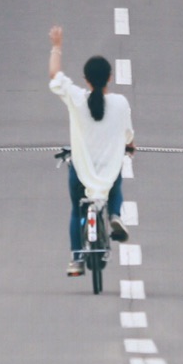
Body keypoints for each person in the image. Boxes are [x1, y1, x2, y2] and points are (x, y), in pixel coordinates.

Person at [49, 25, 134, 276]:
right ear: (109, 78)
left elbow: (55, 75)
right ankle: (115, 215)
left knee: (77, 209)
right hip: (108, 171)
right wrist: (130, 145)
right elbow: (128, 134)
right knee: (114, 188)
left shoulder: (76, 98)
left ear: (86, 79)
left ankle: (76, 260)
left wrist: (57, 45)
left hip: (81, 171)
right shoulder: (120, 103)